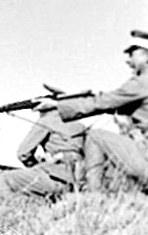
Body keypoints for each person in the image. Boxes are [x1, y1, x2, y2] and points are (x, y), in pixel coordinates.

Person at [34, 33, 148, 192]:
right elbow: (113, 103)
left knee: (95, 137)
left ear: (145, 53)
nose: (128, 60)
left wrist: (57, 104)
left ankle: (94, 194)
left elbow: (102, 103)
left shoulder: (141, 82)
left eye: (132, 54)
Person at [0, 111, 87, 197]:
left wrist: (36, 165)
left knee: (5, 178)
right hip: (77, 180)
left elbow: (23, 154)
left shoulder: (47, 120)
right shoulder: (79, 124)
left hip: (54, 179)